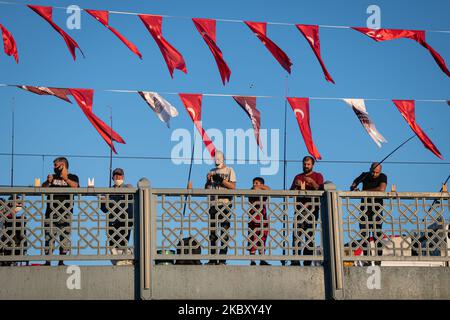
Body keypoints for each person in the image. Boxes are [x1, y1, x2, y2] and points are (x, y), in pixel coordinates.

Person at [42, 157, 79, 266]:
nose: (54, 167)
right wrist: (47, 182)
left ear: (63, 165)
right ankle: (47, 261)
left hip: (66, 212)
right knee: (49, 237)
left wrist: (66, 179)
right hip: (51, 212)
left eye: (56, 165)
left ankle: (61, 261)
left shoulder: (73, 177)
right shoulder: (52, 177)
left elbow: (76, 187)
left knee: (65, 237)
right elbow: (42, 188)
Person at [350, 162, 387, 264]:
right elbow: (353, 185)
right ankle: (367, 260)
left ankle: (378, 260)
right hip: (365, 209)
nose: (374, 174)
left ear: (380, 172)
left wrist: (364, 192)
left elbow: (382, 189)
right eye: (373, 172)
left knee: (377, 234)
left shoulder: (383, 176)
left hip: (376, 209)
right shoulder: (364, 175)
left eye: (377, 173)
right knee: (364, 235)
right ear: (370, 169)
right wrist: (354, 187)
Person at [290, 156, 324, 266]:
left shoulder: (318, 176)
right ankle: (295, 260)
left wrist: (313, 183)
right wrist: (296, 186)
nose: (306, 166)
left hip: (312, 210)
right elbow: (291, 193)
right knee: (296, 234)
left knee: (309, 235)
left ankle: (307, 261)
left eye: (308, 164)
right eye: (304, 164)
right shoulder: (298, 176)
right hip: (299, 210)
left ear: (312, 165)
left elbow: (321, 190)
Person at [205, 151, 236, 265]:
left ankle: (222, 259)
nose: (216, 159)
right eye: (215, 157)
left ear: (223, 158)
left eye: (218, 157)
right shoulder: (211, 171)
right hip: (213, 204)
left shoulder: (229, 170)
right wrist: (209, 180)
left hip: (225, 204)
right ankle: (212, 258)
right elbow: (207, 189)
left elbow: (233, 187)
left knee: (224, 232)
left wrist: (221, 180)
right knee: (213, 232)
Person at [100, 168, 134, 266]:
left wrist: (113, 193)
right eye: (116, 175)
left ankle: (127, 259)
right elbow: (103, 209)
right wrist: (103, 200)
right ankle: (121, 261)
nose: (118, 177)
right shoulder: (108, 191)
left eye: (120, 175)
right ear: (112, 177)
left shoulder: (128, 186)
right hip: (112, 221)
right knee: (112, 245)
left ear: (123, 177)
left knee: (122, 242)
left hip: (125, 220)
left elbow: (131, 194)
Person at [247, 177, 270, 266]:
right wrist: (255, 188)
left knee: (262, 238)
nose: (254, 185)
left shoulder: (263, 191)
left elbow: (269, 190)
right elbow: (250, 193)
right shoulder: (251, 191)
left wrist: (260, 187)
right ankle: (252, 260)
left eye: (256, 183)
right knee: (252, 238)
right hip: (252, 219)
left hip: (262, 219)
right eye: (253, 183)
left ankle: (262, 259)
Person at [0, 196, 27, 266]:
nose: (20, 205)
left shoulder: (19, 218)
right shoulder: (4, 215)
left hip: (14, 247)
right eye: (19, 203)